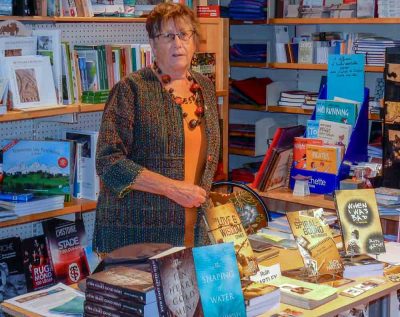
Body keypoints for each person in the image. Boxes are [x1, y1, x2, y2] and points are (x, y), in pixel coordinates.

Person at [93, 3, 220, 253]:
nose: (178, 43)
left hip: (193, 231)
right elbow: (108, 162)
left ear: (195, 41)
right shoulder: (132, 90)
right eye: (168, 36)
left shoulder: (205, 87)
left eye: (184, 34)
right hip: (137, 234)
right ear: (152, 44)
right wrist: (172, 188)